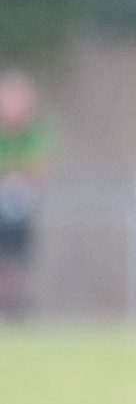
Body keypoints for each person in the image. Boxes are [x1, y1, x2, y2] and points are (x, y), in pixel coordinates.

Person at [0, 68, 49, 321]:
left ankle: (13, 310)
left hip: (19, 213)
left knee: (16, 261)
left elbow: (37, 171)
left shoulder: (32, 135)